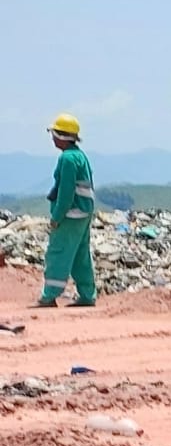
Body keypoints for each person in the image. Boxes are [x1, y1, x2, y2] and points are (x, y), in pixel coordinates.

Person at [39, 115, 97, 309]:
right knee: (81, 255)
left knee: (58, 252)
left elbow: (65, 192)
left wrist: (56, 217)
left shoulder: (67, 158)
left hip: (70, 214)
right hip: (84, 212)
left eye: (54, 134)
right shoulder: (80, 156)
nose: (53, 139)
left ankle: (49, 296)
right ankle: (87, 295)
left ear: (61, 136)